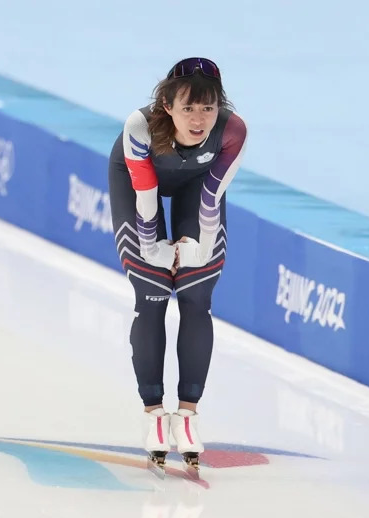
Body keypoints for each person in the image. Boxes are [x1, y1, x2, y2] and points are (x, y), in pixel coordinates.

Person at [107, 57, 247, 467]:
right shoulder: (141, 126)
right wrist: (153, 247)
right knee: (151, 290)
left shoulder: (233, 131)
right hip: (137, 184)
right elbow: (146, 196)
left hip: (198, 189)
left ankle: (187, 415)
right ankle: (153, 412)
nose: (199, 119)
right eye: (188, 108)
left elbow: (211, 198)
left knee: (196, 294)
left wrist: (200, 246)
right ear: (167, 106)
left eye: (208, 107)